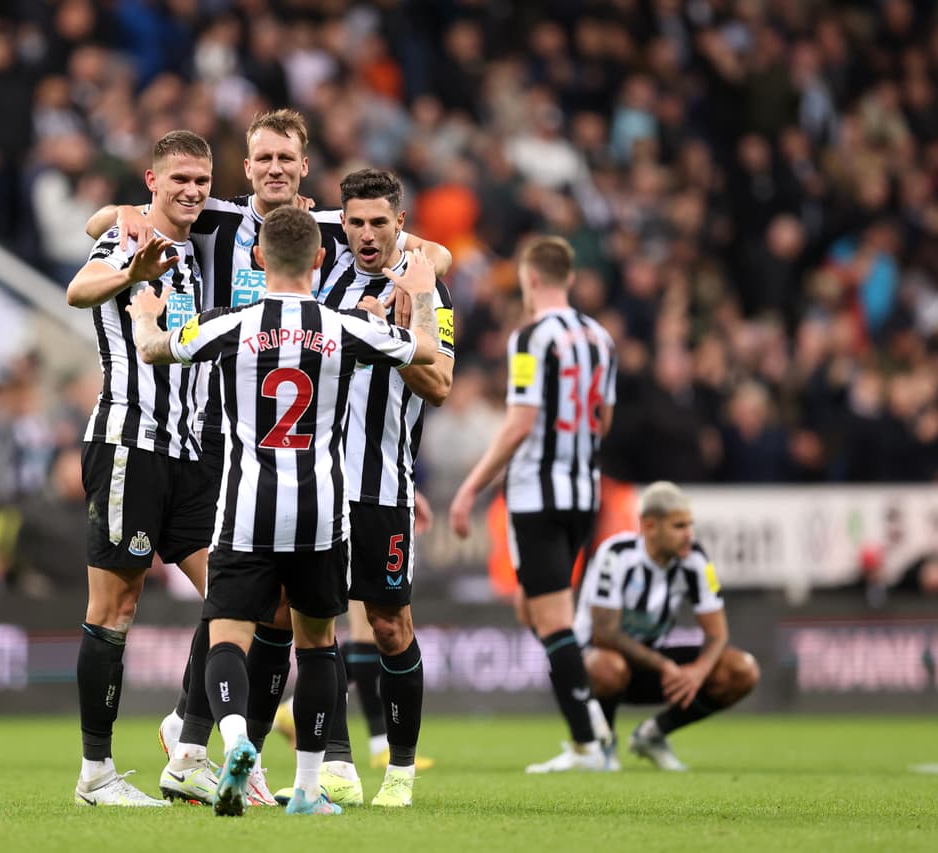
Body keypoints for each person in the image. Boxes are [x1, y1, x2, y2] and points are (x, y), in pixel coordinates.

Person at [86, 109, 451, 806]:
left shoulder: (321, 255)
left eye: (287, 157)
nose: (276, 168)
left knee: (248, 614)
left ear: (304, 168)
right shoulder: (221, 221)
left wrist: (141, 318)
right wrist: (132, 211)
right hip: (255, 460)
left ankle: (211, 736)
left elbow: (161, 343)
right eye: (264, 158)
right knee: (302, 626)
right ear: (247, 167)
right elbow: (114, 217)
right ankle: (240, 752)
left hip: (259, 472)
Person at [64, 130, 216, 807]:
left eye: (201, 182)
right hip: (130, 441)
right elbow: (78, 289)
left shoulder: (201, 242)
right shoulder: (131, 239)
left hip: (190, 451)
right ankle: (96, 772)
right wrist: (132, 270)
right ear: (151, 182)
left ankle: (186, 737)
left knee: (244, 597)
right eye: (178, 179)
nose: (190, 191)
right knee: (116, 604)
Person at [311, 168, 456, 807]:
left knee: (390, 624)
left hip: (384, 486)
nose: (367, 235)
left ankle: (398, 770)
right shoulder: (324, 273)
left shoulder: (430, 289)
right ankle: (334, 761)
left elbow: (441, 384)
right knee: (313, 622)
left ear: (401, 223)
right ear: (341, 224)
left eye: (379, 222)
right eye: (356, 223)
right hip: (316, 480)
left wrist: (394, 336)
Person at [449, 236, 618, 773]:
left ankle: (590, 739)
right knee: (538, 609)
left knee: (551, 617)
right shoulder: (601, 338)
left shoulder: (530, 337)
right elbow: (602, 420)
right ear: (567, 277)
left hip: (536, 494)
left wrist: (472, 485)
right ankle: (584, 706)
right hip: (584, 494)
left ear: (530, 279)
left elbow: (519, 422)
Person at [576, 481, 760, 770]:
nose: (689, 535)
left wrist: (697, 672)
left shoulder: (696, 560)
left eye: (690, 525)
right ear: (649, 526)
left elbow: (717, 632)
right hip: (594, 665)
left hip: (652, 662)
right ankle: (603, 743)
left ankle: (653, 734)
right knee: (607, 667)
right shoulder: (616, 555)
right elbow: (604, 634)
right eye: (679, 527)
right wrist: (665, 666)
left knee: (741, 670)